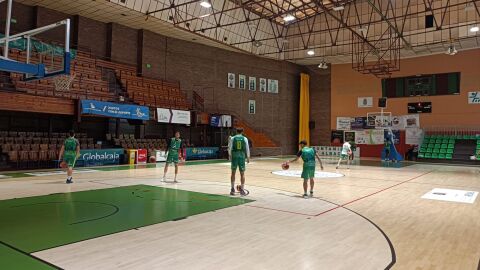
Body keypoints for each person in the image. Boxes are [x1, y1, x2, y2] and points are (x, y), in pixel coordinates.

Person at [228, 128, 250, 195]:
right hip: (242, 156)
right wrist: (248, 157)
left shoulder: (233, 138)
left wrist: (229, 155)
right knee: (242, 173)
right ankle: (242, 190)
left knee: (233, 173)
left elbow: (230, 147)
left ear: (236, 131)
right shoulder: (245, 138)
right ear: (242, 132)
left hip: (234, 155)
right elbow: (247, 148)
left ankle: (232, 189)